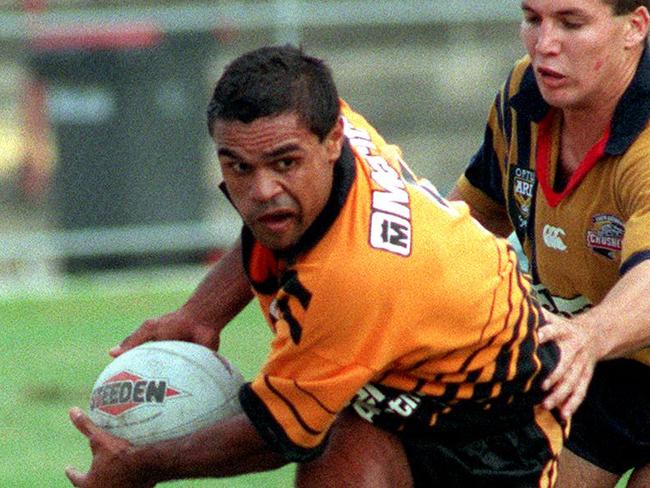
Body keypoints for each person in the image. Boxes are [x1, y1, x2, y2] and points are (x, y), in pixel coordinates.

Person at [66, 45, 567, 488]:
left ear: (332, 143)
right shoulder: (315, 123)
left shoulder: (354, 274)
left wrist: (139, 466)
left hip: (493, 430)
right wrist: (202, 313)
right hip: (386, 396)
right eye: (238, 166)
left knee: (320, 430)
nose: (262, 190)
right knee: (341, 440)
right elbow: (271, 226)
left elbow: (279, 434)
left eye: (285, 163)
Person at [447, 1, 650, 486]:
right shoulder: (524, 96)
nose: (544, 44)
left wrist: (588, 336)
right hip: (605, 369)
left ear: (635, 27)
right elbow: (464, 226)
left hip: (593, 344)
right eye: (533, 19)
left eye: (571, 23)